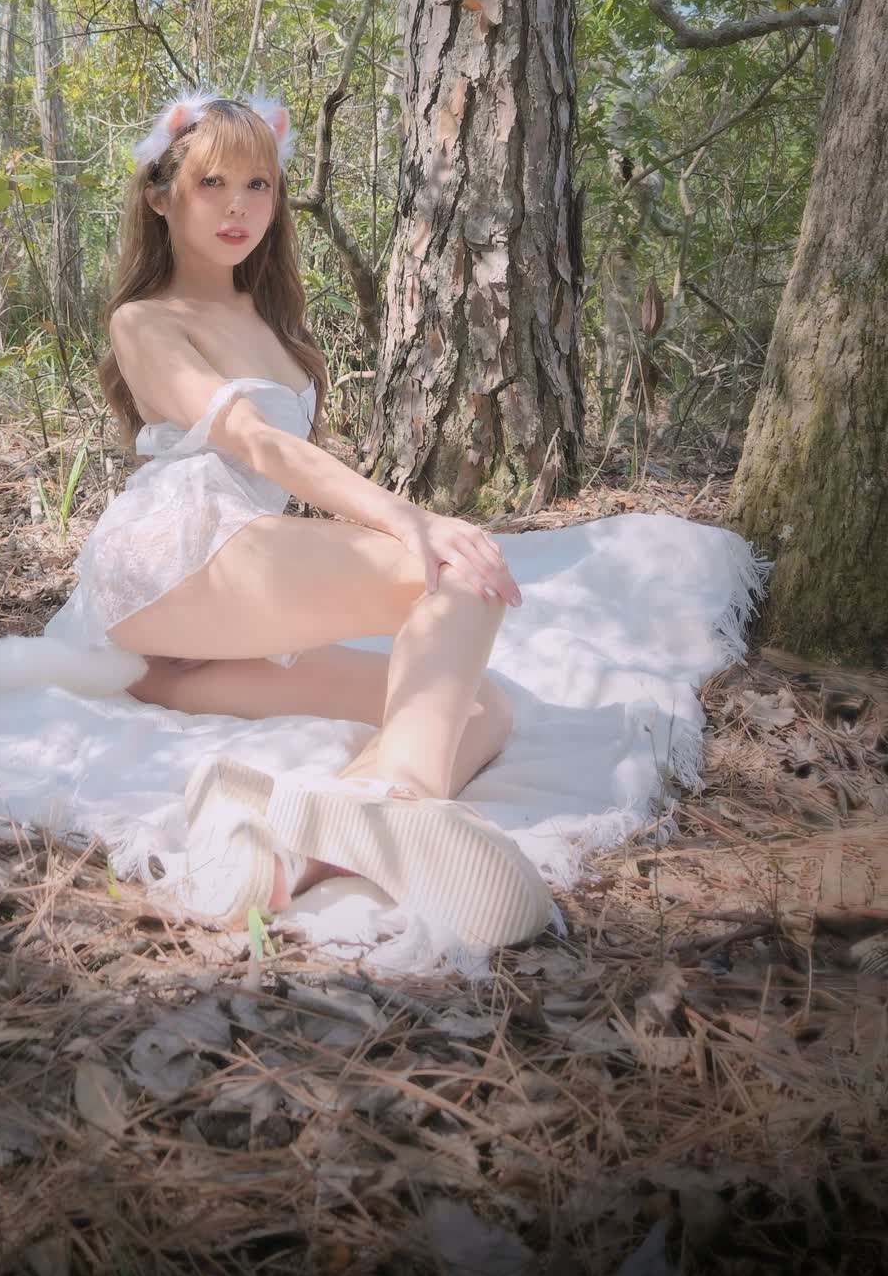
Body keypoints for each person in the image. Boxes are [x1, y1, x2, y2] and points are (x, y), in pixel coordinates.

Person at [42, 87, 554, 950]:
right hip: (172, 557)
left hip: (207, 625)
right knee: (459, 572)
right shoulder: (144, 320)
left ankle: (300, 852)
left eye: (258, 185)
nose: (238, 208)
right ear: (160, 196)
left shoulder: (271, 323)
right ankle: (396, 802)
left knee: (481, 709)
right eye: (211, 184)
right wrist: (405, 521)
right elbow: (252, 441)